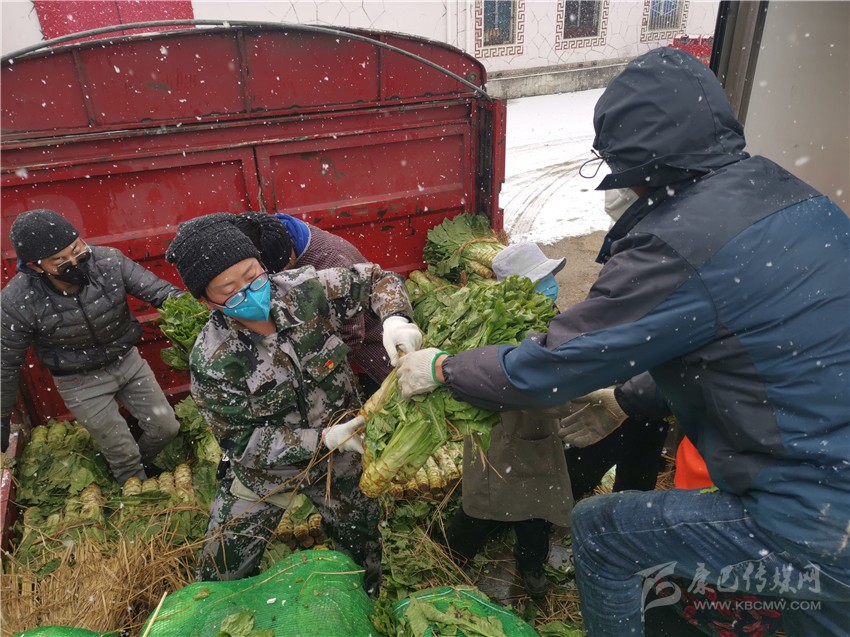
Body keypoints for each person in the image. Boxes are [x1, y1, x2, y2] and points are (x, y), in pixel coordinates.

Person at [396, 47, 849, 636]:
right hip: (834, 482)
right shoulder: (798, 198)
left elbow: (550, 367)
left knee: (600, 529)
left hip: (816, 513)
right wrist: (629, 397)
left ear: (640, 168)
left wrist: (445, 369)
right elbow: (747, 350)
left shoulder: (679, 242)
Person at [164, 213, 421, 584]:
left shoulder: (304, 290)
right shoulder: (213, 359)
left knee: (362, 549)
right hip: (269, 470)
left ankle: (365, 597)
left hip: (343, 455)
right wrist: (322, 439)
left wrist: (397, 319)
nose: (250, 292)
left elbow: (376, 280)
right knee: (222, 568)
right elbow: (242, 443)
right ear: (208, 302)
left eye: (252, 276)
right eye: (229, 290)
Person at [1, 209, 182, 482]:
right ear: (35, 267)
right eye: (59, 260)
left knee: (166, 427)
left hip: (128, 362)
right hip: (79, 381)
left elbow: (160, 292)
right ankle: (134, 485)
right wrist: (2, 416)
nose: (74, 261)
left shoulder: (109, 261)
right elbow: (6, 362)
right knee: (122, 452)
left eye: (77, 249)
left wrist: (193, 309)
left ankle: (142, 467)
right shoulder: (17, 300)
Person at [443, 242, 571, 599]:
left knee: (536, 505)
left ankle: (531, 565)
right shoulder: (498, 323)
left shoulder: (552, 318)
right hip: (499, 433)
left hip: (538, 434)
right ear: (513, 287)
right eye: (541, 280)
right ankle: (451, 558)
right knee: (483, 503)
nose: (550, 286)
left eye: (549, 277)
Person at [227, 211, 398, 396]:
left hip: (373, 344)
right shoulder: (270, 231)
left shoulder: (330, 263)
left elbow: (352, 333)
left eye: (283, 272)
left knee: (389, 395)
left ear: (289, 255)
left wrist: (312, 376)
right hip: (331, 342)